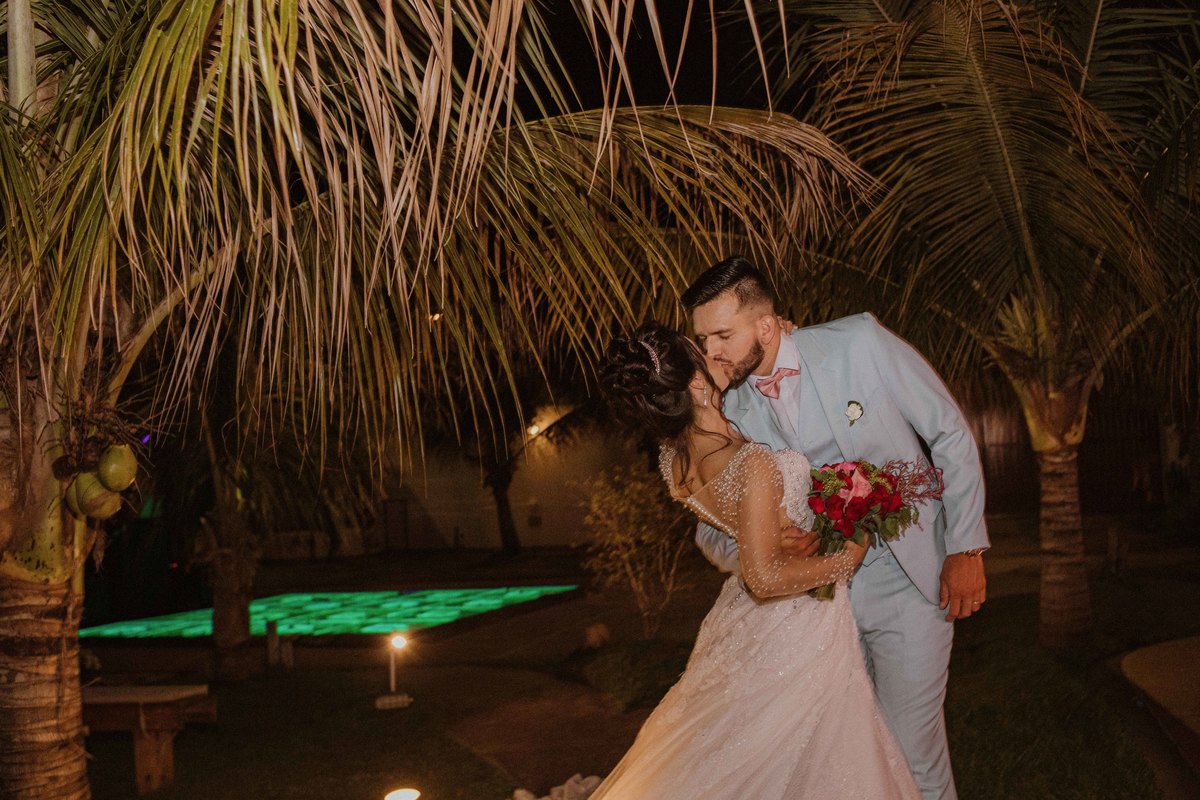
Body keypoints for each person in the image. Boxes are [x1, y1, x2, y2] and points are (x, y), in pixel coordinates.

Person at [683, 255, 989, 800]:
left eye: (723, 336)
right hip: (816, 609)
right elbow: (708, 531)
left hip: (907, 579)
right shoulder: (726, 415)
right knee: (856, 761)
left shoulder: (859, 343)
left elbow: (948, 433)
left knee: (910, 752)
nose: (711, 354)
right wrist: (763, 545)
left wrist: (966, 547)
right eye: (703, 340)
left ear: (767, 326)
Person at [588, 322, 920, 799]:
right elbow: (764, 578)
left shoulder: (675, 458)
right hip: (796, 623)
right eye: (702, 353)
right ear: (696, 383)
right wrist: (848, 557)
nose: (714, 354)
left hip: (742, 621)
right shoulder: (750, 462)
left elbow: (750, 535)